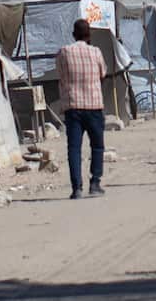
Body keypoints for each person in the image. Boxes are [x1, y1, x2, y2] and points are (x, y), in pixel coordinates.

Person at [55, 18, 108, 199]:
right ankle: (95, 183)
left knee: (74, 148)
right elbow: (103, 74)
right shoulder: (96, 52)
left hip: (73, 106)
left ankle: (76, 187)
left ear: (73, 34)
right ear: (89, 35)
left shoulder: (64, 52)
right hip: (94, 105)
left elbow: (61, 76)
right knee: (97, 146)